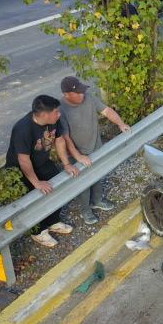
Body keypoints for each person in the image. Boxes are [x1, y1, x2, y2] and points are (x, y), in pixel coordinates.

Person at [5, 95, 78, 248]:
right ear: (45, 114)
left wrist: (66, 164)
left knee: (57, 187)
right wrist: (36, 182)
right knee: (34, 199)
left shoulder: (53, 121)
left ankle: (53, 221)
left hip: (42, 162)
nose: (59, 114)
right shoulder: (23, 128)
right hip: (20, 170)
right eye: (56, 112)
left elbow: (59, 140)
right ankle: (38, 232)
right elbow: (23, 159)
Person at [58, 77, 130, 225]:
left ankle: (97, 200)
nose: (81, 95)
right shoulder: (60, 109)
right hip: (77, 153)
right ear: (66, 94)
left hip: (96, 146)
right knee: (83, 184)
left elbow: (107, 111)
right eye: (77, 93)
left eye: (82, 91)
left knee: (98, 174)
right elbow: (64, 137)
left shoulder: (89, 98)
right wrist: (78, 156)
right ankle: (85, 211)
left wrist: (120, 124)